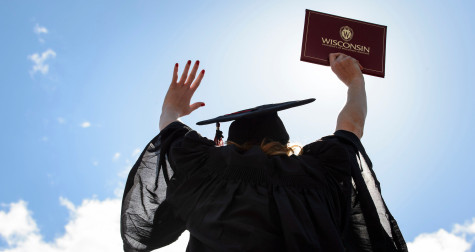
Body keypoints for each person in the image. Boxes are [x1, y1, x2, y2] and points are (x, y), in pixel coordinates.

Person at [120, 54, 408, 251]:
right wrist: (356, 82)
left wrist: (172, 107)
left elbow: (169, 130)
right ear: (284, 140)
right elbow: (352, 126)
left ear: (229, 141)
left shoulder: (206, 167)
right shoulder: (321, 171)